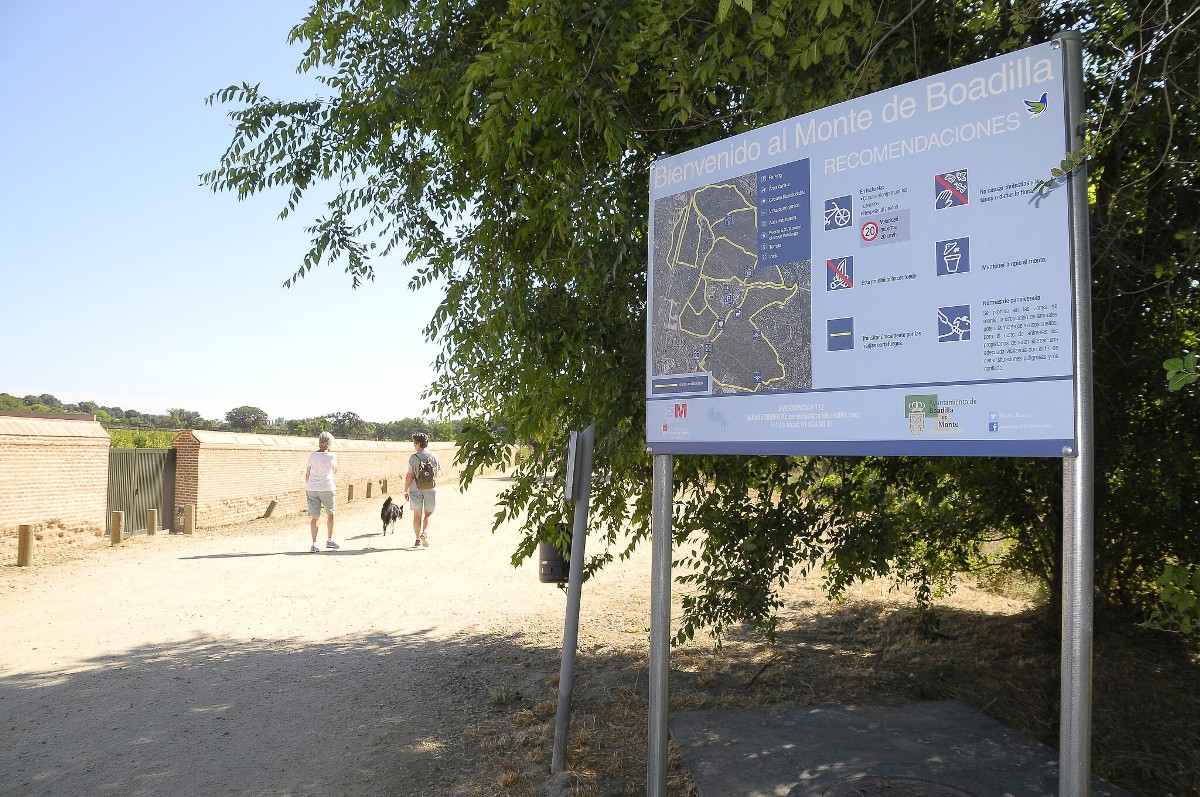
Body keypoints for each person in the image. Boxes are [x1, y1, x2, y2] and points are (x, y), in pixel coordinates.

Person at [405, 432, 441, 547]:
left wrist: (405, 490)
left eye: (414, 443)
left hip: (415, 488)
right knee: (428, 514)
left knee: (417, 515)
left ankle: (417, 540)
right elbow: (436, 474)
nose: (413, 445)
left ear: (418, 444)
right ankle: (424, 533)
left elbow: (409, 476)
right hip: (430, 488)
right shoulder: (433, 456)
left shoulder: (413, 457)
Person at [305, 431, 339, 552]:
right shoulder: (331, 456)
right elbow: (335, 470)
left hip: (312, 488)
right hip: (327, 487)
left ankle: (314, 544)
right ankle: (329, 540)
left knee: (315, 517)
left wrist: (310, 484)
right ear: (330, 443)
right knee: (330, 514)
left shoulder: (312, 456)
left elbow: (307, 474)